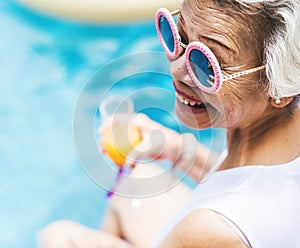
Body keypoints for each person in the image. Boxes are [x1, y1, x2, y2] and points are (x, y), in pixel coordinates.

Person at [38, 0, 300, 247]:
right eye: (177, 34)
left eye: (207, 64)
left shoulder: (208, 230)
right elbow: (245, 183)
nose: (176, 70)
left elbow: (228, 216)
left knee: (60, 237)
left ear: (280, 88)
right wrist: (180, 150)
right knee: (136, 177)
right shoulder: (282, 131)